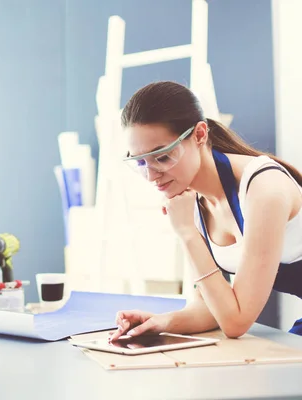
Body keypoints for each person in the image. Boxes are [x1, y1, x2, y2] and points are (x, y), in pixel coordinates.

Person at [109, 81, 302, 341]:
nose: (151, 176)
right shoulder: (195, 199)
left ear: (200, 134)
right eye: (141, 162)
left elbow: (236, 322)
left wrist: (187, 233)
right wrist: (160, 321)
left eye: (163, 157)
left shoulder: (263, 189)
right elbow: (213, 308)